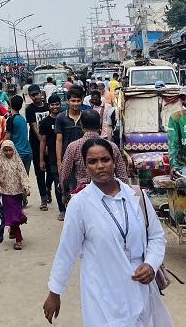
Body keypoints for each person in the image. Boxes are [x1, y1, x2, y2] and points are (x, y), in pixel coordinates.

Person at [43, 139, 173, 326]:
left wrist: (151, 263)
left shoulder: (136, 196)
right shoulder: (80, 204)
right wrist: (54, 292)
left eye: (105, 159)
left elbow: (156, 236)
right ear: (85, 166)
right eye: (92, 162)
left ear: (114, 162)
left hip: (142, 289)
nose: (100, 166)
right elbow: (67, 251)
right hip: (103, 296)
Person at [60, 110, 129, 207]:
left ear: (82, 126)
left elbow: (65, 175)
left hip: (83, 194)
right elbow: (122, 176)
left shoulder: (73, 147)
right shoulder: (111, 146)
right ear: (100, 125)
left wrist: (65, 192)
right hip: (109, 194)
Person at [0, 140, 30, 251]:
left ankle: (13, 230)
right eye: (6, 150)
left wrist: (26, 187)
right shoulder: (0, 162)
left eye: (10, 150)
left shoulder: (17, 161)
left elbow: (23, 174)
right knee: (14, 216)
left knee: (16, 214)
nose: (8, 152)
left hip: (18, 193)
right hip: (6, 194)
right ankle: (19, 239)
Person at [39, 94, 65, 220]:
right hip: (53, 157)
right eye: (52, 105)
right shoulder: (45, 122)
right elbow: (43, 141)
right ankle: (62, 210)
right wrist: (41, 159)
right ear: (49, 106)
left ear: (60, 104)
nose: (55, 107)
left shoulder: (65, 118)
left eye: (57, 104)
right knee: (58, 183)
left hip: (66, 154)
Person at [25, 85, 50, 210]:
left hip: (50, 142)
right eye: (32, 95)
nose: (35, 97)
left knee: (51, 170)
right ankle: (43, 198)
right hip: (36, 144)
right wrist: (42, 144)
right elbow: (35, 128)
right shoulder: (30, 109)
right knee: (39, 172)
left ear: (41, 94)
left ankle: (48, 188)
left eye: (37, 94)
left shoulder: (48, 107)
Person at [55, 87, 85, 176]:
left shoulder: (85, 117)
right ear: (68, 101)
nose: (76, 104)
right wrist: (59, 161)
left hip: (83, 159)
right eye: (73, 101)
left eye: (78, 101)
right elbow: (59, 140)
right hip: (67, 158)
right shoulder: (61, 118)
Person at [5, 95, 33, 179]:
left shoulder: (11, 120)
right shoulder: (22, 119)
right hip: (27, 152)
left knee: (16, 180)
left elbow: (8, 138)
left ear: (10, 104)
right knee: (25, 178)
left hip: (17, 153)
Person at [168, 87, 186, 178]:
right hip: (184, 165)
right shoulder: (176, 118)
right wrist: (174, 166)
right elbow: (173, 145)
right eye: (183, 99)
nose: (185, 102)